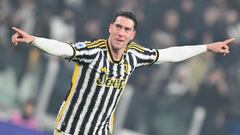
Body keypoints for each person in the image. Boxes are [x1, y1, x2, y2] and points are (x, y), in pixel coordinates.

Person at [11, 10, 235, 135]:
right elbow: (64, 49)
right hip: (71, 129)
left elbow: (169, 54)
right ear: (110, 27)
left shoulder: (134, 55)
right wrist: (34, 40)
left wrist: (205, 47)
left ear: (132, 35)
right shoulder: (92, 50)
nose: (121, 32)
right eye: (118, 27)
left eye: (127, 29)